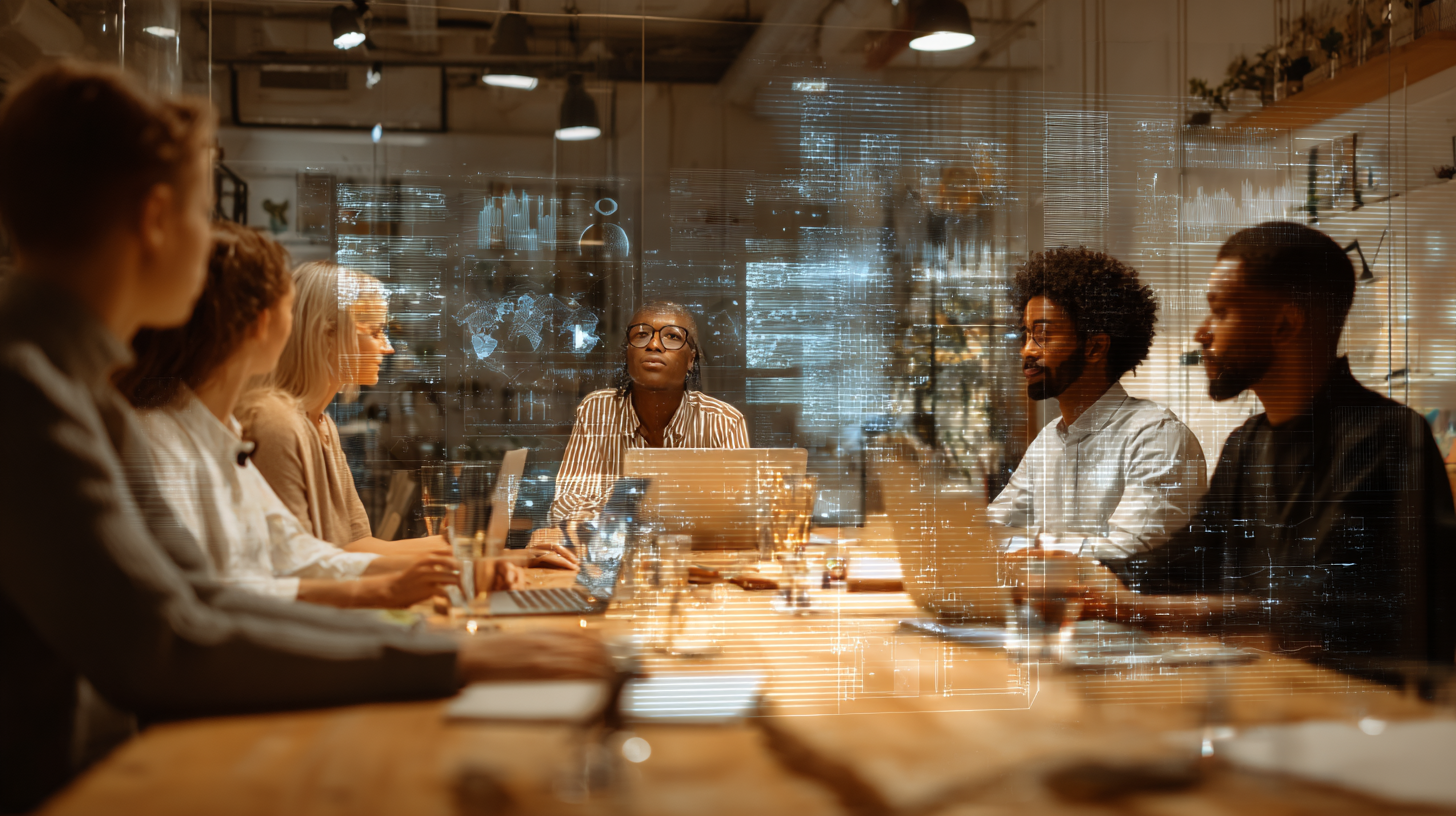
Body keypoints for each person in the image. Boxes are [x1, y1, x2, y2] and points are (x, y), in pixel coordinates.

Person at [0, 62, 608, 813]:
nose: (217, 242)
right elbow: (165, 642)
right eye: (200, 212)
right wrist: (451, 659)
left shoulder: (80, 389)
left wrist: (444, 650)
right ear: (156, 219)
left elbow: (202, 599)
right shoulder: (26, 390)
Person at [1083, 222, 1456, 679]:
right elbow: (1183, 560)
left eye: (1220, 312)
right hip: (1260, 699)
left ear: (1284, 324)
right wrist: (1071, 573)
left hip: (1361, 721)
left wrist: (1133, 610)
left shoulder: (1390, 439)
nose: (1202, 333)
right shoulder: (1247, 443)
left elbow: (1318, 614)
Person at [118, 221, 519, 608]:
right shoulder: (174, 437)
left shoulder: (224, 432)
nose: (389, 348)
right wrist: (396, 591)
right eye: (289, 308)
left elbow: (301, 554)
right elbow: (224, 598)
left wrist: (458, 567)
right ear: (262, 323)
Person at [988, 247, 1207, 564]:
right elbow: (995, 526)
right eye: (1026, 334)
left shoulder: (1155, 435)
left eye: (1043, 335)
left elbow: (1131, 550)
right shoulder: (1049, 440)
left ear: (1094, 347)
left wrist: (1031, 552)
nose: (1027, 351)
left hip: (1128, 612)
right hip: (1060, 608)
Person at [236, 261, 450, 557]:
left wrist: (469, 547)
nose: (388, 348)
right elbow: (300, 563)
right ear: (327, 336)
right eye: (374, 332)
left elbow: (355, 545)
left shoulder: (322, 425)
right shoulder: (276, 425)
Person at [537, 301, 749, 549]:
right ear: (627, 353)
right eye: (641, 334)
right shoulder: (597, 410)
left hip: (695, 565)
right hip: (612, 562)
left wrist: (617, 515)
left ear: (691, 360)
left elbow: (739, 514)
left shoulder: (723, 421)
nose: (654, 344)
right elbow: (566, 503)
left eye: (672, 336)